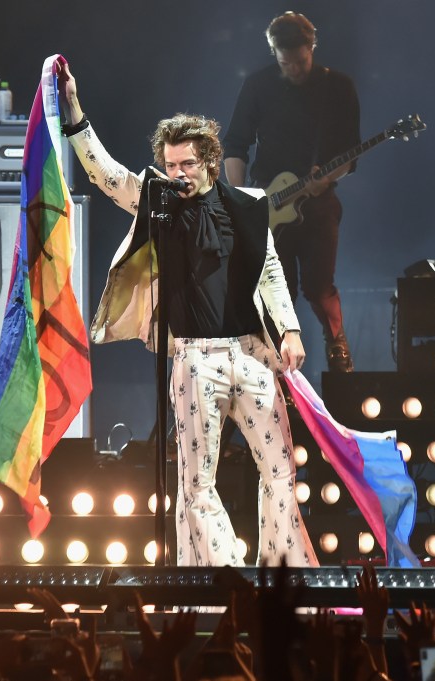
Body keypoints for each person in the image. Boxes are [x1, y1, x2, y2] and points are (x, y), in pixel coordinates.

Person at [56, 58, 317, 568]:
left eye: (187, 165)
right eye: (170, 165)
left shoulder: (246, 205)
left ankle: (284, 577)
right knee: (198, 481)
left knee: (282, 472)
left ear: (210, 164)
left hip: (251, 352)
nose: (177, 174)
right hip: (194, 359)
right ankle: (221, 584)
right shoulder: (156, 201)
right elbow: (104, 175)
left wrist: (289, 328)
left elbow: (270, 271)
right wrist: (75, 113)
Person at [224, 11, 361, 373]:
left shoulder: (338, 87)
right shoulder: (257, 85)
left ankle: (337, 343)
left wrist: (328, 177)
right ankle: (276, 370)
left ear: (312, 46)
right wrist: (241, 203)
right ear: (274, 53)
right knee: (275, 292)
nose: (295, 69)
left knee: (319, 286)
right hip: (269, 206)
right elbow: (235, 144)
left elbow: (351, 153)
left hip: (319, 204)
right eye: (286, 63)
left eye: (300, 61)